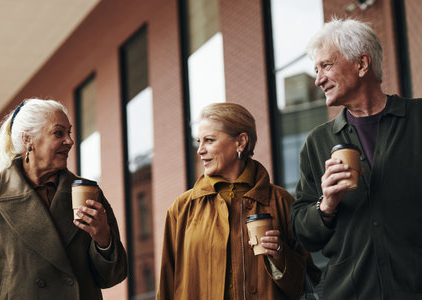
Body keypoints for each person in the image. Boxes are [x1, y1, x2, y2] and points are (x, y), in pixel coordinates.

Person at [291, 18, 422, 299]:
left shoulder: (418, 119)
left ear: (362, 64)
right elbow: (304, 233)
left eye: (326, 66)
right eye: (316, 70)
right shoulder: (317, 143)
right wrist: (325, 205)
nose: (318, 79)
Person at [156, 102, 320, 300]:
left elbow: (308, 280)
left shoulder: (281, 201)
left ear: (241, 142)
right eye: (199, 141)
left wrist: (279, 257)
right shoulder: (182, 208)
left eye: (209, 140)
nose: (200, 150)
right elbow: (166, 285)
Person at [0, 99, 127, 299]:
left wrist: (103, 239)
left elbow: (113, 277)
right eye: (58, 133)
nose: (69, 141)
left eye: (69, 132)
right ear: (28, 139)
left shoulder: (88, 192)